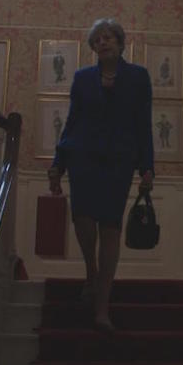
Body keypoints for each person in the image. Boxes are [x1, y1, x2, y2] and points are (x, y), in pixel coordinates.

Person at [47, 18, 154, 332]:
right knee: (82, 219)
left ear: (120, 43)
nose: (103, 42)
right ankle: (90, 271)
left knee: (110, 228)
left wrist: (147, 166)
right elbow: (71, 123)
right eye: (98, 39)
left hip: (119, 163)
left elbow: (143, 124)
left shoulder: (138, 77)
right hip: (83, 157)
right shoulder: (82, 79)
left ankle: (102, 308)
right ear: (94, 47)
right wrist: (58, 163)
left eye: (109, 38)